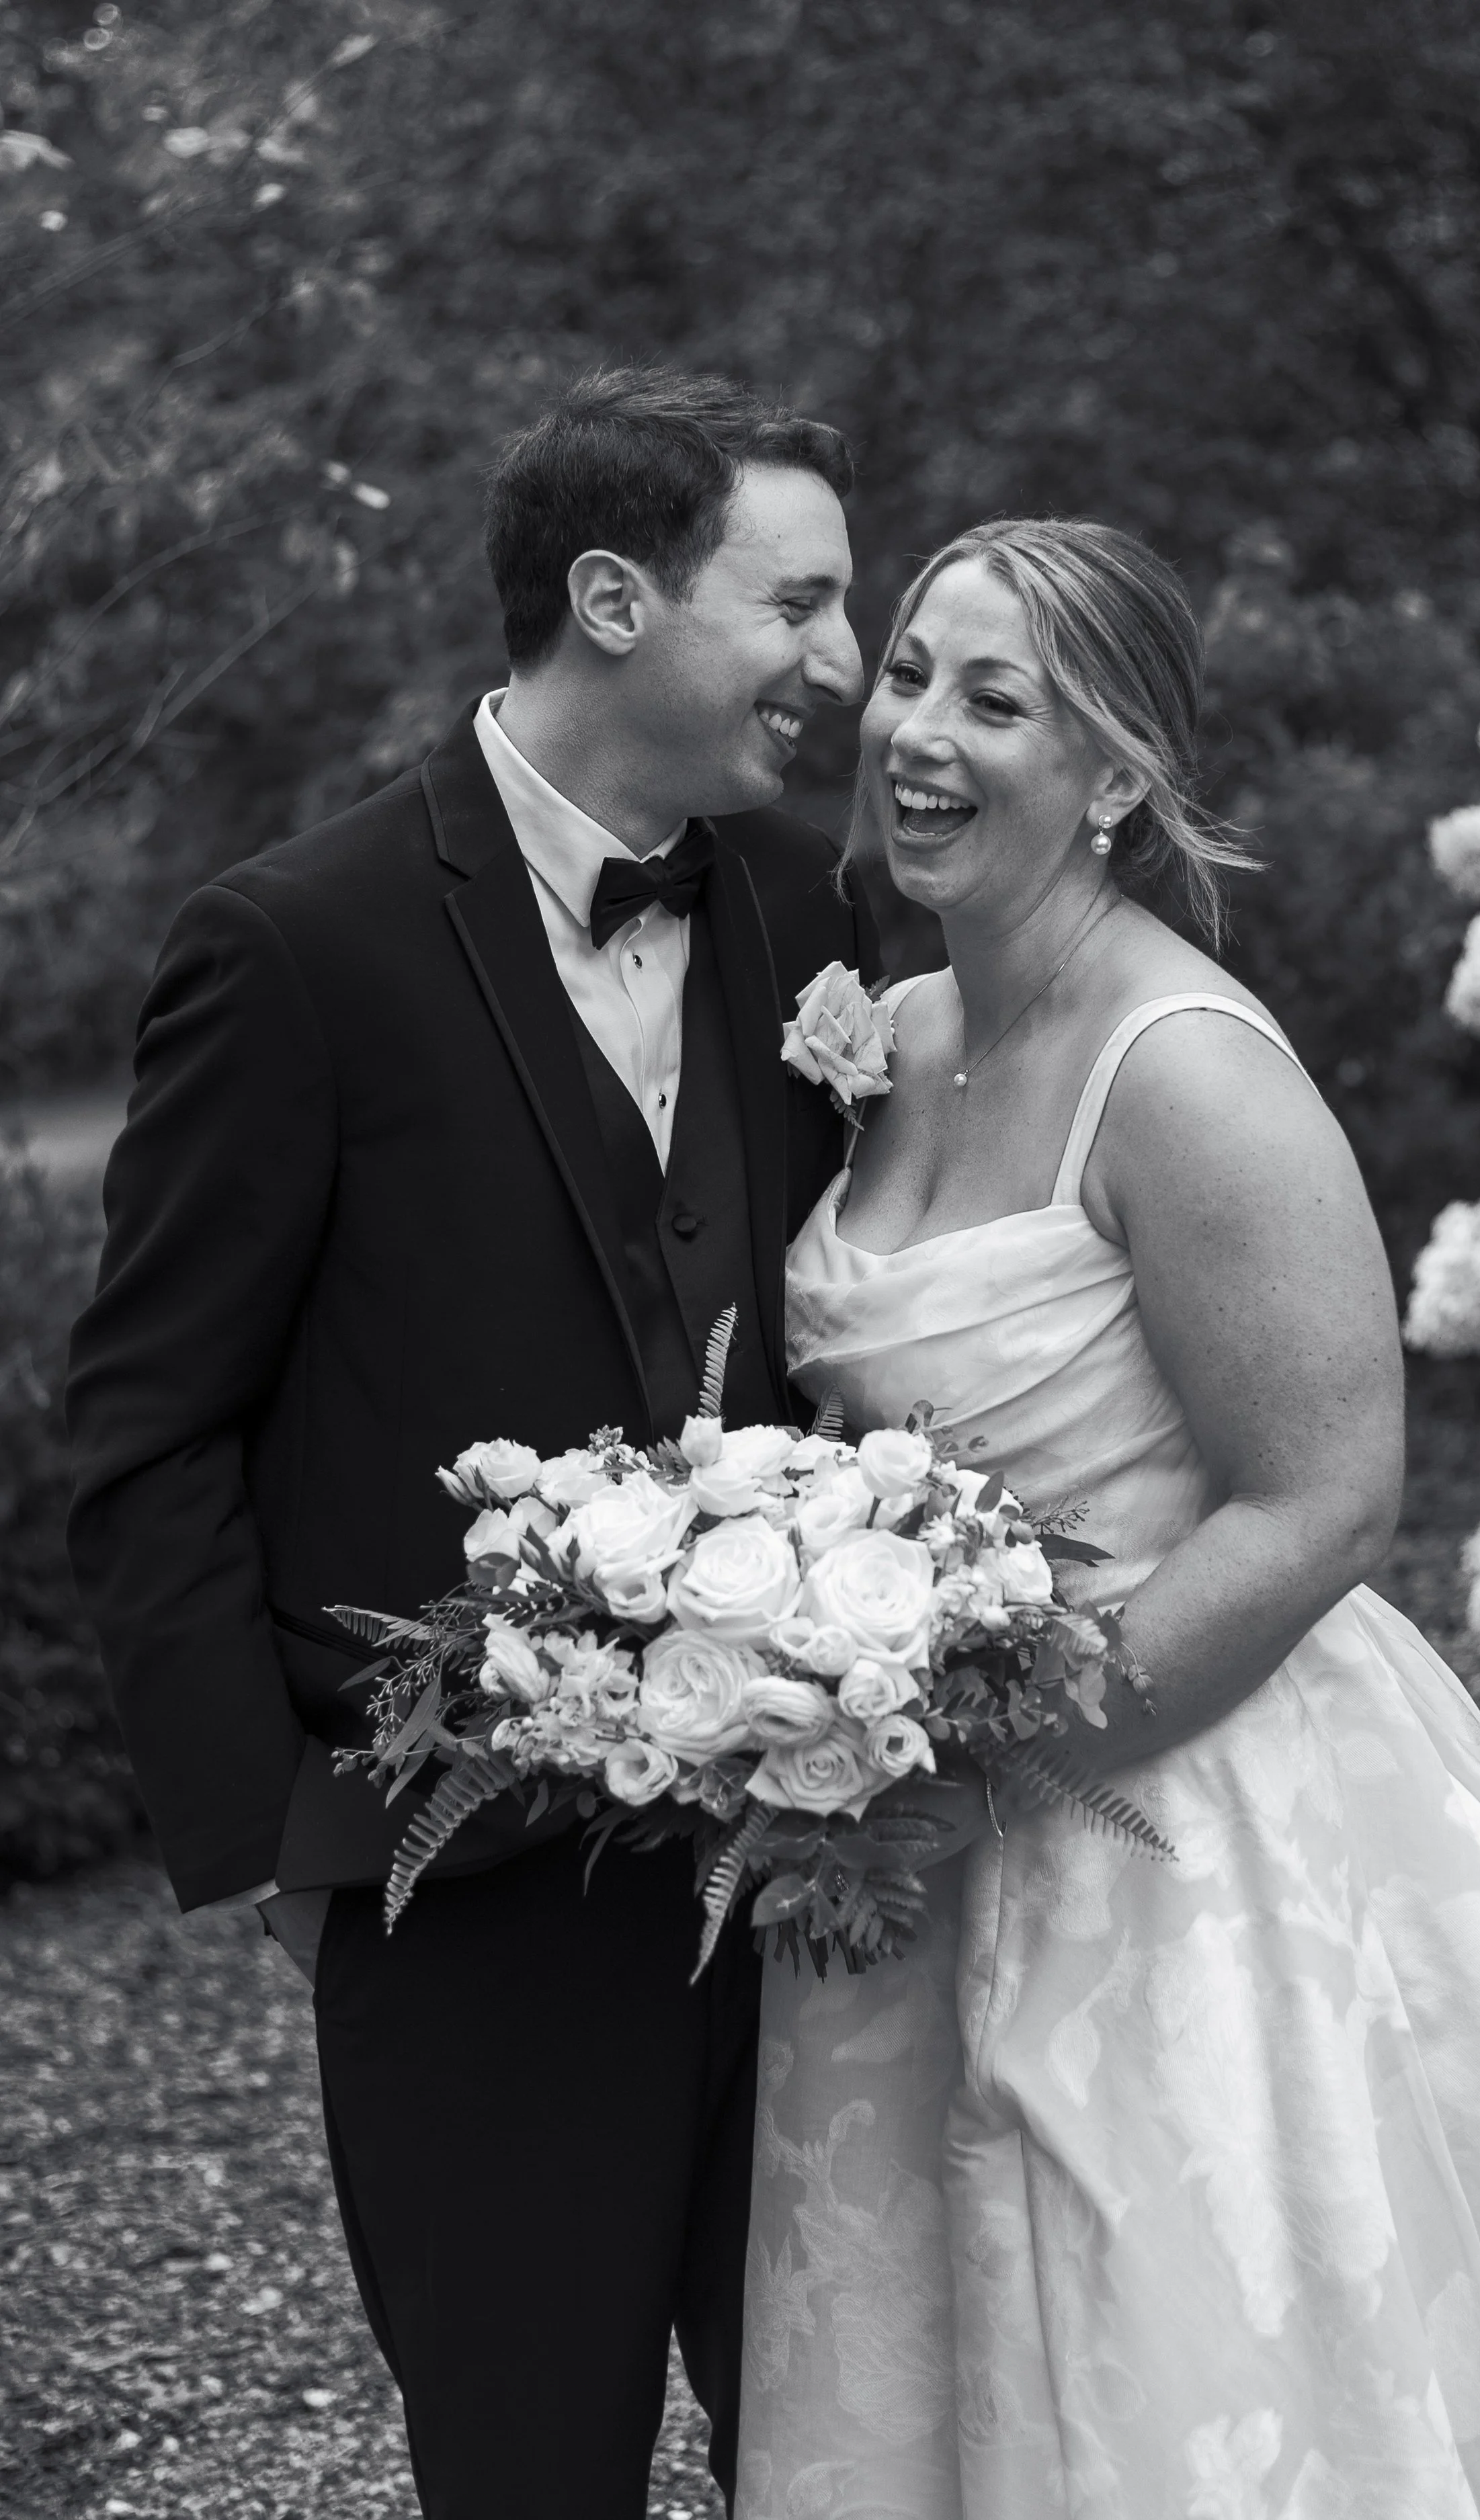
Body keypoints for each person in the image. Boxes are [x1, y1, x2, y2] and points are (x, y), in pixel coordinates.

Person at [738, 517, 1480, 2519]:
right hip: (892, 1851)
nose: (913, 726)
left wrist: (982, 1763)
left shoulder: (1185, 1074)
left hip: (1170, 1833)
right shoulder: (882, 1040)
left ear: (1117, 775)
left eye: (995, 699)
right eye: (908, 667)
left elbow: (1326, 1502)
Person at [65, 363, 872, 2520]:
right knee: (528, 2472)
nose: (845, 663)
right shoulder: (294, 945)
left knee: (862, 2457)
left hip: (826, 1866)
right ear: (613, 596)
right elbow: (145, 1432)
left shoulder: (818, 914)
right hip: (472, 1901)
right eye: (794, 601)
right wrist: (286, 1850)